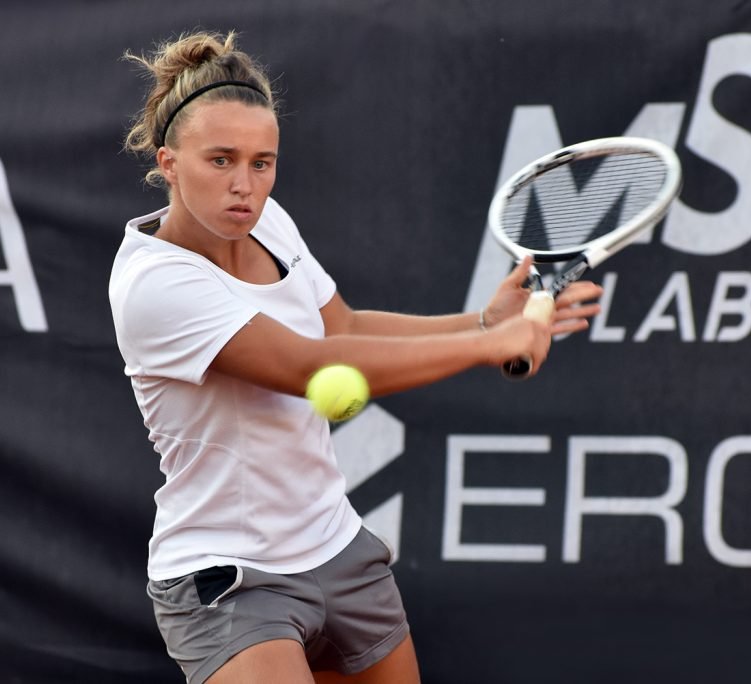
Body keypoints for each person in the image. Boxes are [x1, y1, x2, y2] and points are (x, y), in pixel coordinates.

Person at [109, 30, 603, 684]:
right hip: (232, 576)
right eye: (220, 160)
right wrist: (488, 347)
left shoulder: (268, 224)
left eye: (262, 162)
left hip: (337, 548)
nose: (245, 186)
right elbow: (314, 367)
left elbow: (343, 326)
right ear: (169, 163)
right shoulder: (155, 285)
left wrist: (484, 320)